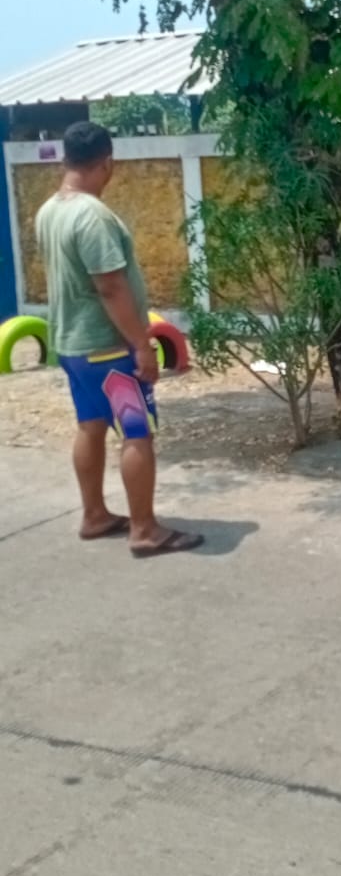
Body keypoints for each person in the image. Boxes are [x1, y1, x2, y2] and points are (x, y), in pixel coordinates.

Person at [35, 122, 203, 558]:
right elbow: (110, 286)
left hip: (73, 346)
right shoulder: (92, 216)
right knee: (137, 432)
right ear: (107, 162)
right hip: (109, 350)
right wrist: (142, 346)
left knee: (90, 426)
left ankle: (94, 515)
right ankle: (144, 529)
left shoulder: (50, 210)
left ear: (66, 159)